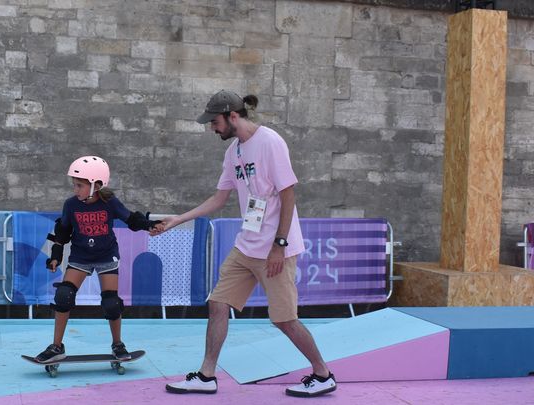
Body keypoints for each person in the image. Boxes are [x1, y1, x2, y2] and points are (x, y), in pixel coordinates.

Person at [157, 90, 336, 397]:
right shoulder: (233, 152)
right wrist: (178, 219)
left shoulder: (270, 142)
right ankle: (206, 376)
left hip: (274, 250)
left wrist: (279, 244)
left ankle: (323, 375)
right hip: (246, 245)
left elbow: (288, 193)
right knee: (218, 303)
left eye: (214, 122)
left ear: (233, 116)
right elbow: (219, 198)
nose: (213, 128)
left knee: (284, 320)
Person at [35, 155, 160, 363]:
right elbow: (62, 232)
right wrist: (55, 257)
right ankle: (56, 347)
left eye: (80, 185)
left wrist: (149, 225)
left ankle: (118, 344)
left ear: (97, 185)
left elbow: (130, 219)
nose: (75, 190)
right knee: (63, 296)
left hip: (106, 254)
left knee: (111, 302)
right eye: (74, 185)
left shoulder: (109, 203)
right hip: (81, 255)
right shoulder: (71, 205)